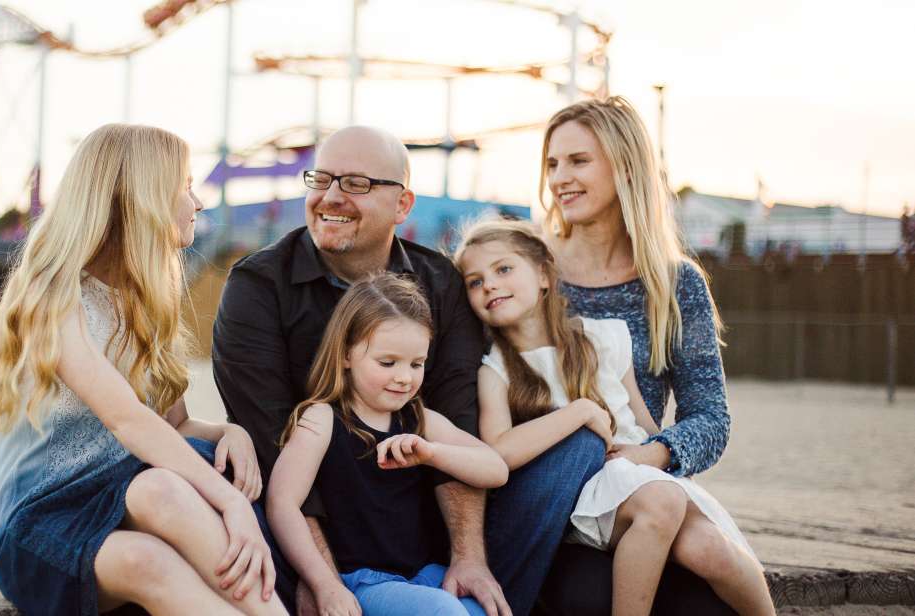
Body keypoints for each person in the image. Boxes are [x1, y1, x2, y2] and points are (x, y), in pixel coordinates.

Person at [214, 125, 602, 616]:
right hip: (307, 539)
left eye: (356, 183)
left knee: (574, 451)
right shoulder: (258, 284)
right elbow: (269, 442)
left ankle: (483, 596)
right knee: (213, 456)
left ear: (402, 206)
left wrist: (468, 558)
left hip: (421, 535)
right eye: (321, 179)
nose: (331, 197)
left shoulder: (441, 285)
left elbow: (460, 426)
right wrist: (326, 585)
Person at [0, 124, 286, 616]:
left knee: (159, 489)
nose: (198, 202)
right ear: (143, 198)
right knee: (147, 553)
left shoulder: (141, 304)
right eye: (185, 187)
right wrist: (231, 503)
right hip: (41, 522)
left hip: (119, 501)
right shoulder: (56, 296)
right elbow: (127, 420)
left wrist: (230, 432)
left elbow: (173, 427)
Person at [456, 219, 774, 616]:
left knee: (710, 550)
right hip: (589, 492)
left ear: (542, 274)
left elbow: (642, 422)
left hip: (640, 471)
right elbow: (498, 455)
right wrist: (580, 411)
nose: (488, 284)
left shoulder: (604, 337)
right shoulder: (496, 369)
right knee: (659, 503)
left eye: (503, 269)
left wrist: (664, 464)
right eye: (474, 281)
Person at [533, 96, 741, 614]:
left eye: (579, 161)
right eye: (552, 164)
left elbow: (711, 418)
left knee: (707, 603)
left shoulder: (675, 285)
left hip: (640, 493)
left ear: (625, 166)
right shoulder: (529, 269)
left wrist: (651, 455)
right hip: (552, 499)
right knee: (586, 600)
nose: (561, 178)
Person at [268, 274, 508, 616]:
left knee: (480, 609)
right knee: (446, 612)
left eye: (417, 364)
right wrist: (324, 584)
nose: (405, 377)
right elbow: (283, 502)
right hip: (363, 583)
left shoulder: (420, 420)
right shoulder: (322, 419)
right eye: (387, 362)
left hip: (424, 575)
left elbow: (495, 469)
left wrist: (432, 453)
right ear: (347, 354)